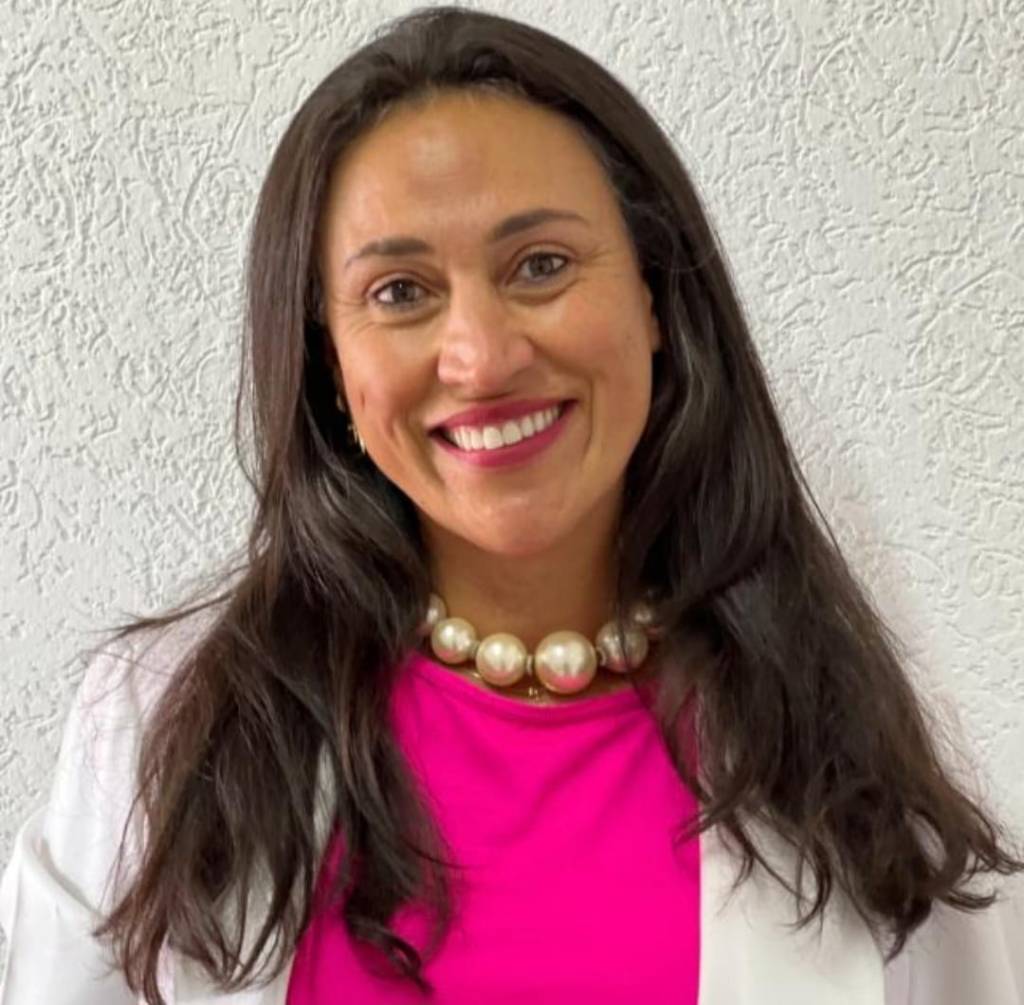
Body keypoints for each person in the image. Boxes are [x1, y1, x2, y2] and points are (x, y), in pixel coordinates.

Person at [2, 6, 1022, 1003]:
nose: (481, 358)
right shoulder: (164, 732)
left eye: (540, 266)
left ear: (658, 299)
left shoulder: (845, 752)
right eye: (400, 292)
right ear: (328, 362)